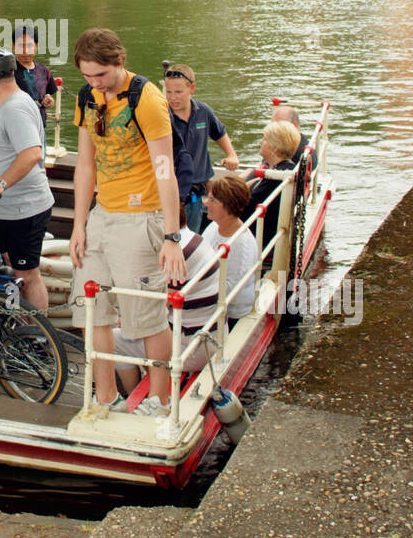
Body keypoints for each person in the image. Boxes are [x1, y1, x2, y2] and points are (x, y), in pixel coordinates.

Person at [69, 28, 185, 418]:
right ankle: (106, 397)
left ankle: (160, 399)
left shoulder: (147, 99)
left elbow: (165, 169)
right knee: (93, 308)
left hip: (141, 216)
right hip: (102, 214)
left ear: (119, 62)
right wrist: (79, 224)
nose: (95, 84)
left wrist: (171, 235)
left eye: (100, 76)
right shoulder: (88, 98)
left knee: (145, 316)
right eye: (88, 77)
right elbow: (85, 164)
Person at [0, 48, 53, 310]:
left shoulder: (15, 108)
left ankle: (39, 338)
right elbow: (10, 151)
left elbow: (31, 154)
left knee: (28, 276)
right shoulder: (15, 103)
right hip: (10, 211)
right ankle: (19, 325)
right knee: (15, 273)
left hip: (23, 211)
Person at [113, 202, 220, 393]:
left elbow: (158, 310)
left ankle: (134, 397)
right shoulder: (195, 239)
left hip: (193, 347)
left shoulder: (177, 255)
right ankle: (150, 381)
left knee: (115, 341)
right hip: (210, 333)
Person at [163, 64, 240, 233]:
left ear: (192, 88)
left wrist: (231, 154)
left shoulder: (203, 112)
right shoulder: (162, 115)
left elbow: (219, 132)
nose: (173, 98)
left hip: (196, 193)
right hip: (170, 191)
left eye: (178, 92)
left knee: (192, 236)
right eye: (168, 92)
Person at [243, 120, 300, 272]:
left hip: (261, 242)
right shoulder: (281, 169)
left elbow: (246, 207)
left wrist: (242, 186)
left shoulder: (277, 176)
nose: (261, 141)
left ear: (274, 148)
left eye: (265, 139)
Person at [201, 176, 258, 321]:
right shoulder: (215, 225)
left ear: (229, 205)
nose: (206, 203)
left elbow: (228, 289)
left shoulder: (240, 245)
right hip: (209, 293)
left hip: (231, 312)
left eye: (212, 200)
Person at [13, 24, 57, 130]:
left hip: (39, 127)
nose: (25, 50)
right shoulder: (8, 72)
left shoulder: (44, 71)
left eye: (29, 46)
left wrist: (48, 101)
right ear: (13, 46)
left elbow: (47, 96)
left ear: (36, 46)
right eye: (20, 46)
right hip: (15, 128)